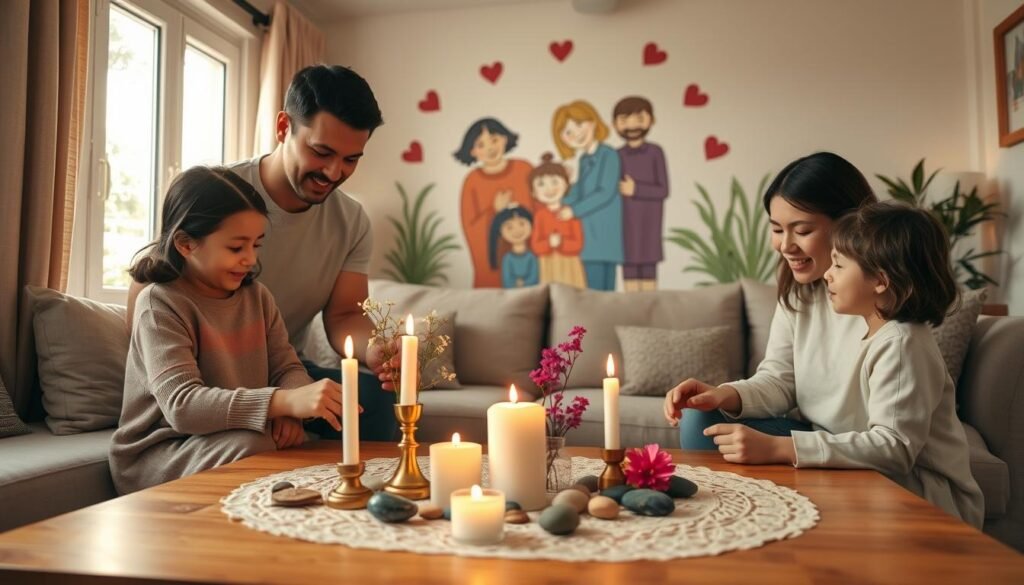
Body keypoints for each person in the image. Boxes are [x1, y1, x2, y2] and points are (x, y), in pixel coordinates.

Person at [126, 65, 395, 441]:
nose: (334, 172)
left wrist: (376, 350)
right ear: (284, 127)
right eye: (322, 152)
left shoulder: (352, 221)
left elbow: (346, 313)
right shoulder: (219, 193)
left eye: (351, 159)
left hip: (278, 366)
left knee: (374, 407)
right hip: (202, 369)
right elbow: (152, 288)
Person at [110, 167, 355, 494]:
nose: (250, 259)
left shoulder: (257, 297)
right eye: (237, 247)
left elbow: (287, 367)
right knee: (258, 445)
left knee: (307, 444)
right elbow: (183, 406)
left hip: (236, 435)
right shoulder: (159, 304)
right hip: (163, 451)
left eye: (256, 245)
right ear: (186, 244)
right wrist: (281, 404)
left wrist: (294, 411)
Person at [663, 151, 875, 451]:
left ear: (850, 225)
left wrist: (783, 450)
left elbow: (892, 441)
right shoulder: (798, 293)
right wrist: (723, 394)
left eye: (802, 231)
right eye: (777, 229)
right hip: (813, 436)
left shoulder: (886, 304)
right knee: (701, 419)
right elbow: (779, 380)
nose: (785, 246)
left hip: (863, 448)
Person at [813, 201, 981, 525]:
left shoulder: (903, 345)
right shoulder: (882, 335)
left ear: (880, 280)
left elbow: (893, 448)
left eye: (838, 265)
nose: (826, 275)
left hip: (930, 497)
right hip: (894, 482)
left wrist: (784, 448)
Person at [454, 118, 535, 288]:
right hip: (494, 262)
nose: (490, 148)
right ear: (472, 151)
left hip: (528, 259)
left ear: (505, 138)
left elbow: (540, 210)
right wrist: (494, 211)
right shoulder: (472, 181)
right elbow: (470, 229)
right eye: (481, 145)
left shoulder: (524, 169)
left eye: (494, 140)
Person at [552, 100, 623, 291]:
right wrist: (566, 186)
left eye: (579, 124)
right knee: (596, 294)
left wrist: (573, 210)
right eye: (568, 132)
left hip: (604, 234)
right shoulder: (583, 160)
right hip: (590, 237)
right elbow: (580, 193)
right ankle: (585, 324)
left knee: (601, 295)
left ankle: (584, 324)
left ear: (593, 122)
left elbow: (605, 192)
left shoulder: (608, 155)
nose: (576, 134)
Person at [613, 96, 669, 292]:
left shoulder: (655, 152)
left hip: (649, 226)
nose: (632, 125)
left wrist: (635, 189)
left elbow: (663, 189)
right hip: (624, 227)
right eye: (624, 120)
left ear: (650, 120)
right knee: (629, 278)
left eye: (638, 118)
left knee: (648, 276)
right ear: (615, 124)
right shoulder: (615, 155)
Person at [528, 153, 586, 288]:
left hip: (570, 264)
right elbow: (536, 245)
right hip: (548, 265)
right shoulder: (540, 216)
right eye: (541, 184)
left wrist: (562, 243)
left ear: (566, 185)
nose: (549, 189)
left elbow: (578, 243)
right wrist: (549, 243)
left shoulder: (570, 213)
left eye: (555, 181)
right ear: (534, 192)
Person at [488, 205, 538, 288]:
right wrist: (516, 284)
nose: (517, 231)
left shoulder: (531, 257)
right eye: (510, 227)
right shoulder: (507, 259)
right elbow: (507, 280)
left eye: (522, 224)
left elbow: (534, 277)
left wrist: (524, 283)